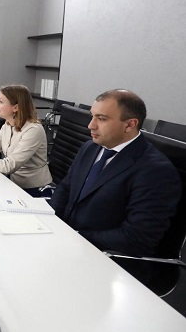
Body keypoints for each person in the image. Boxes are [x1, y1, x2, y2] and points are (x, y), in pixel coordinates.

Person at [49, 89, 180, 257]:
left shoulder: (156, 170)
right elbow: (66, 187)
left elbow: (136, 238)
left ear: (130, 125)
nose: (91, 125)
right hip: (65, 239)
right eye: (92, 116)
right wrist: (51, 221)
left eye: (102, 119)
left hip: (104, 256)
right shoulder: (90, 147)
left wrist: (74, 237)